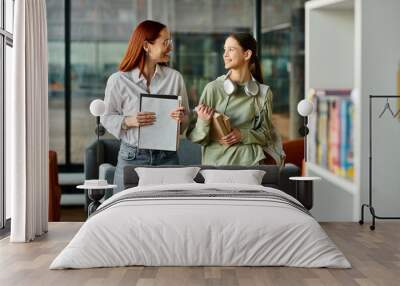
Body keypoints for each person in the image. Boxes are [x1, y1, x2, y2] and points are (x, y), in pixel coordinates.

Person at [101, 20, 189, 193]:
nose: (170, 47)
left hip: (167, 157)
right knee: (124, 211)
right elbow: (106, 117)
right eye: (165, 42)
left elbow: (186, 121)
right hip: (132, 157)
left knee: (168, 212)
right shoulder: (118, 80)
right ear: (147, 46)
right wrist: (129, 121)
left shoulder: (175, 78)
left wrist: (182, 118)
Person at [187, 33, 284, 166]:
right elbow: (197, 138)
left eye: (231, 49)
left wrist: (242, 134)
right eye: (224, 50)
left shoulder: (263, 93)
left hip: (249, 164)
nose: (225, 54)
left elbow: (266, 136)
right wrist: (203, 121)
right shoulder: (213, 88)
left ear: (247, 54)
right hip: (215, 165)